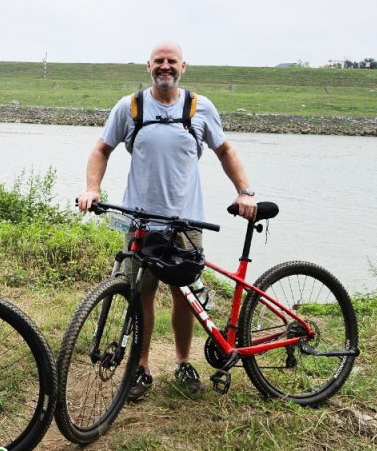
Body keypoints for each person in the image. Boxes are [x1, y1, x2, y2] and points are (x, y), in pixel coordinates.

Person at [77, 41, 257, 400]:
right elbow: (101, 149)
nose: (165, 67)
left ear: (183, 67)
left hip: (186, 222)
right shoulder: (130, 108)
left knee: (183, 293)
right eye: (158, 61)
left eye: (171, 61)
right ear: (148, 67)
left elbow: (225, 151)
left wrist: (244, 191)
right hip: (139, 221)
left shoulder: (199, 107)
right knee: (139, 293)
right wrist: (91, 188)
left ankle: (182, 361)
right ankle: (141, 368)